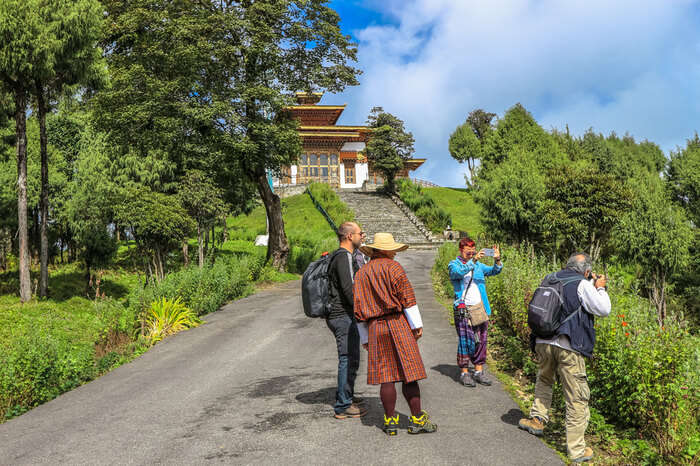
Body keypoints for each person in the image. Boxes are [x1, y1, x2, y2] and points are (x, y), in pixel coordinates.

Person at [518, 253, 611, 463]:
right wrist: (600, 287)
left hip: (543, 340)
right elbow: (604, 309)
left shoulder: (550, 277)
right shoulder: (583, 284)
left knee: (544, 379)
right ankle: (577, 450)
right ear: (586, 271)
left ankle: (537, 419)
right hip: (568, 345)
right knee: (576, 396)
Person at [353, 233, 437, 436]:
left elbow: (358, 309)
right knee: (409, 373)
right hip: (397, 322)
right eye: (392, 249)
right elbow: (407, 297)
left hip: (375, 327)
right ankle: (417, 420)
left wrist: (364, 337)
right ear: (384, 250)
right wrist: (416, 325)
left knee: (386, 376)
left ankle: (390, 421)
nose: (394, 253)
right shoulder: (394, 268)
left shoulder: (361, 274)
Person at [448, 238, 502, 387]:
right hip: (463, 309)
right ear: (461, 250)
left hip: (480, 308)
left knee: (481, 340)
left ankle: (478, 371)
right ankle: (464, 372)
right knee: (466, 341)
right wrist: (473, 261)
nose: (471, 255)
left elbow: (494, 271)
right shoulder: (454, 264)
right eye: (468, 252)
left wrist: (497, 260)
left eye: (473, 252)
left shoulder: (478, 265)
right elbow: (458, 273)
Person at [326, 222, 367, 419]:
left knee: (352, 357)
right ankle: (342, 405)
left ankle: (347, 395)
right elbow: (349, 289)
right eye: (360, 233)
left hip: (341, 314)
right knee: (347, 358)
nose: (362, 236)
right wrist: (363, 310)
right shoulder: (344, 257)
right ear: (350, 236)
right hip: (342, 315)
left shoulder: (341, 255)